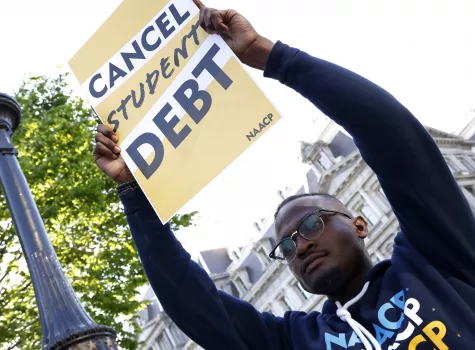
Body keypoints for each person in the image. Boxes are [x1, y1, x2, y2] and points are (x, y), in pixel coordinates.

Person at [93, 2, 475, 349]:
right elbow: (190, 301)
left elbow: (395, 140)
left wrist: (271, 56)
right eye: (287, 248)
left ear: (359, 224)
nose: (301, 247)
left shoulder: (435, 260)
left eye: (311, 225)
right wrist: (132, 189)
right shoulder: (292, 342)